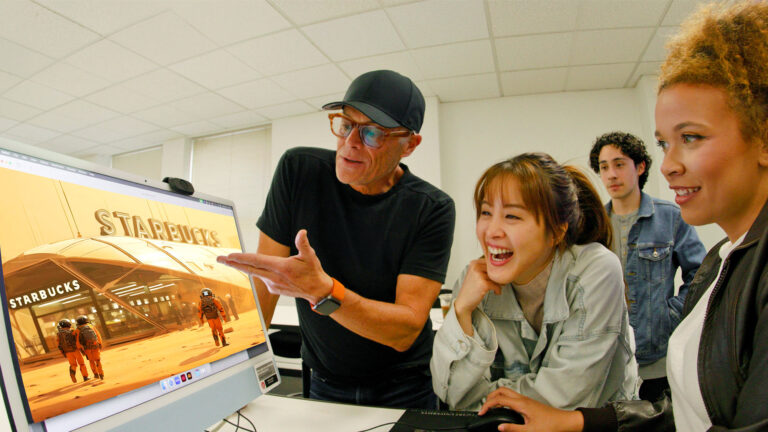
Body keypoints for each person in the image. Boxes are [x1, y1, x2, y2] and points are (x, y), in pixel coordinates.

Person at [477, 2, 768, 430]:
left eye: (691, 137)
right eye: (665, 143)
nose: (669, 166)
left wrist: (664, 319)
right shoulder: (724, 258)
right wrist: (579, 422)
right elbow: (692, 411)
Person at [217, 70, 455, 409]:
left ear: (410, 145)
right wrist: (233, 378)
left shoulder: (431, 208)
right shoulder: (299, 170)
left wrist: (325, 292)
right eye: (346, 125)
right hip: (324, 381)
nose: (350, 143)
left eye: (372, 133)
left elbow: (404, 331)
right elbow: (264, 286)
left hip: (404, 385)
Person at [431, 152, 638, 411]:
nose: (492, 231)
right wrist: (461, 310)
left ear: (557, 231)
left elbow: (566, 400)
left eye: (512, 216)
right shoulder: (473, 279)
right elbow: (452, 396)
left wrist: (483, 400)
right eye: (486, 212)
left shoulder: (595, 270)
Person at [589, 131, 705, 401]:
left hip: (658, 360)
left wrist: (671, 315)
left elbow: (701, 274)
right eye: (604, 167)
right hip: (607, 362)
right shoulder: (594, 225)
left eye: (619, 164)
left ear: (640, 167)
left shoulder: (671, 216)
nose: (611, 175)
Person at [73, 315, 104, 380]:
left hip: (86, 348)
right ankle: (101, 374)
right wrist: (100, 343)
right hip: (95, 345)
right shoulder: (91, 326)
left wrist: (80, 349)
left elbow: (77, 341)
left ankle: (96, 374)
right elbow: (98, 335)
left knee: (91, 361)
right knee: (97, 360)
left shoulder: (77, 330)